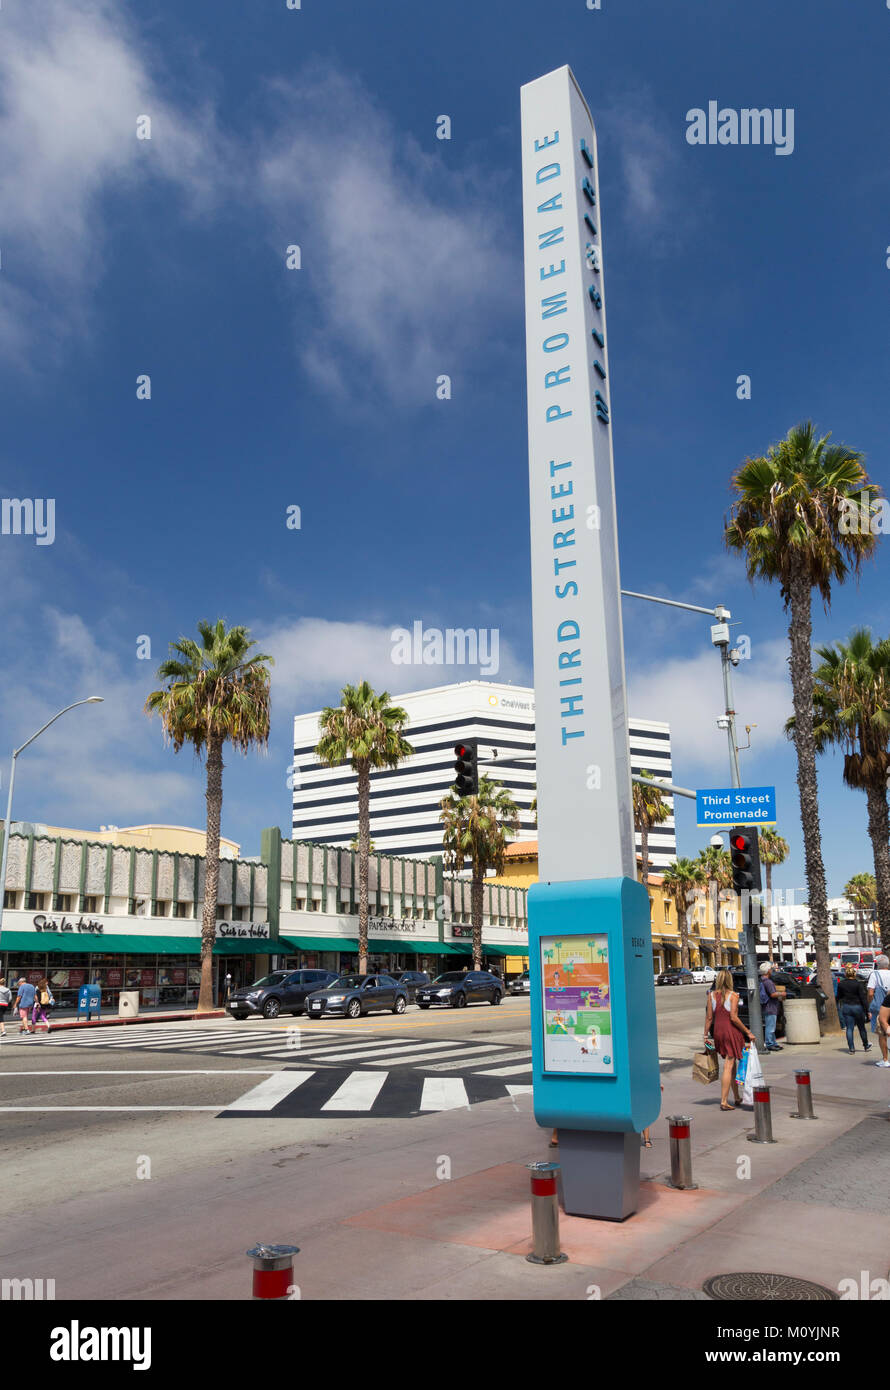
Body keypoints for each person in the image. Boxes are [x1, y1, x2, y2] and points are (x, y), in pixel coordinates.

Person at [705, 969, 755, 1110]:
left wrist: (705, 1035)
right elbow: (733, 1017)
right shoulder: (733, 995)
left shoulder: (711, 995)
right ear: (730, 980)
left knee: (730, 1065)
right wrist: (747, 1032)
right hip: (730, 1032)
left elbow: (709, 1017)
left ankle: (737, 1097)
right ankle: (724, 1101)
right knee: (728, 1066)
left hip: (718, 1032)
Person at [836, 964, 871, 1054]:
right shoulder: (858, 984)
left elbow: (839, 996)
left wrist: (838, 1004)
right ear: (854, 974)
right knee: (861, 1028)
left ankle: (851, 1048)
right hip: (857, 1007)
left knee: (849, 1028)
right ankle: (866, 1045)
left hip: (847, 1006)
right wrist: (867, 1010)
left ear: (846, 974)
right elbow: (863, 998)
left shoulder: (841, 984)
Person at [866, 955, 890, 1067]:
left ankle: (885, 1059)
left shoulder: (875, 974)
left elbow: (871, 993)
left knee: (882, 1034)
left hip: (880, 1008)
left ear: (877, 964)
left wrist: (871, 1004)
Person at [759, 962, 783, 1052]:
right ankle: (769, 1043)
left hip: (767, 1006)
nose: (771, 971)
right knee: (770, 1026)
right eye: (771, 969)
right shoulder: (768, 982)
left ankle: (773, 1042)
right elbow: (773, 994)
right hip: (770, 1007)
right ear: (768, 971)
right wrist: (782, 993)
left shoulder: (762, 981)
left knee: (771, 1026)